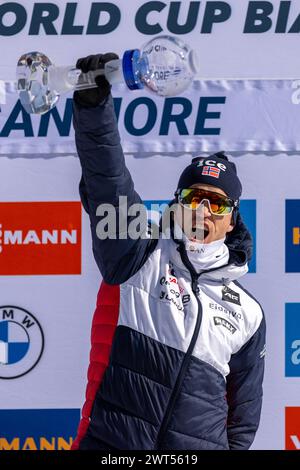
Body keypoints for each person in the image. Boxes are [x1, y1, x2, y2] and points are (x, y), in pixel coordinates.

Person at [71, 53, 266, 451]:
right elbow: (108, 180)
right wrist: (94, 106)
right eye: (195, 197)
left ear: (231, 221)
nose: (204, 210)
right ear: (177, 204)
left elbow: (242, 420)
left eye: (218, 203)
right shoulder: (136, 254)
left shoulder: (249, 314)